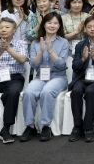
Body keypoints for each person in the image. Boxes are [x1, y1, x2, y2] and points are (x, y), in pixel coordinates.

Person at [20, 12, 70, 142]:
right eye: (49, 22)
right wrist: (41, 51)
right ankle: (30, 126)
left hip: (58, 77)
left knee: (47, 92)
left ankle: (45, 126)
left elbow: (61, 64)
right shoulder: (36, 42)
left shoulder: (64, 42)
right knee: (28, 92)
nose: (52, 25)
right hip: (40, 76)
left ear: (59, 26)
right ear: (44, 24)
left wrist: (50, 50)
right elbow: (33, 64)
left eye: (55, 23)